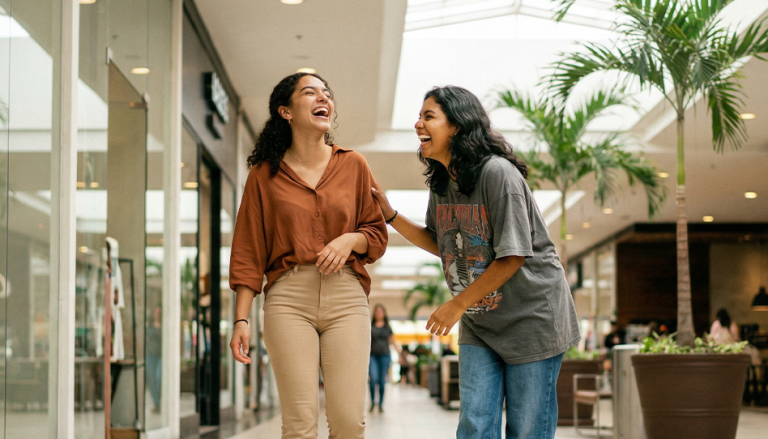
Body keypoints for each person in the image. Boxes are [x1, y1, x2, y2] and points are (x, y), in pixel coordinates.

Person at [371, 86, 580, 439]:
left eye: (428, 116)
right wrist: (390, 215)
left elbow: (513, 255)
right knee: (474, 426)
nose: (418, 124)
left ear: (456, 125)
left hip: (532, 319)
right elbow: (441, 243)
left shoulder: (498, 174)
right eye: (419, 117)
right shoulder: (442, 184)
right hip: (481, 323)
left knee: (527, 430)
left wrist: (457, 304)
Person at [228, 72, 388, 439]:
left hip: (346, 297)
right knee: (299, 424)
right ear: (285, 111)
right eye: (310, 92)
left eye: (327, 93)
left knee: (349, 422)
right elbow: (248, 250)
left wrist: (350, 240)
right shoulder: (263, 175)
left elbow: (377, 234)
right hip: (288, 300)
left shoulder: (354, 165)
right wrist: (241, 319)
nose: (323, 98)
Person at [369, 304, 396, 413]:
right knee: (373, 379)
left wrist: (402, 355)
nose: (379, 313)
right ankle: (372, 402)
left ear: (384, 314)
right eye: (377, 311)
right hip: (372, 356)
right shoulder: (370, 326)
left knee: (382, 381)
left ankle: (380, 404)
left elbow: (393, 341)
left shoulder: (387, 327)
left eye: (381, 311)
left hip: (385, 356)